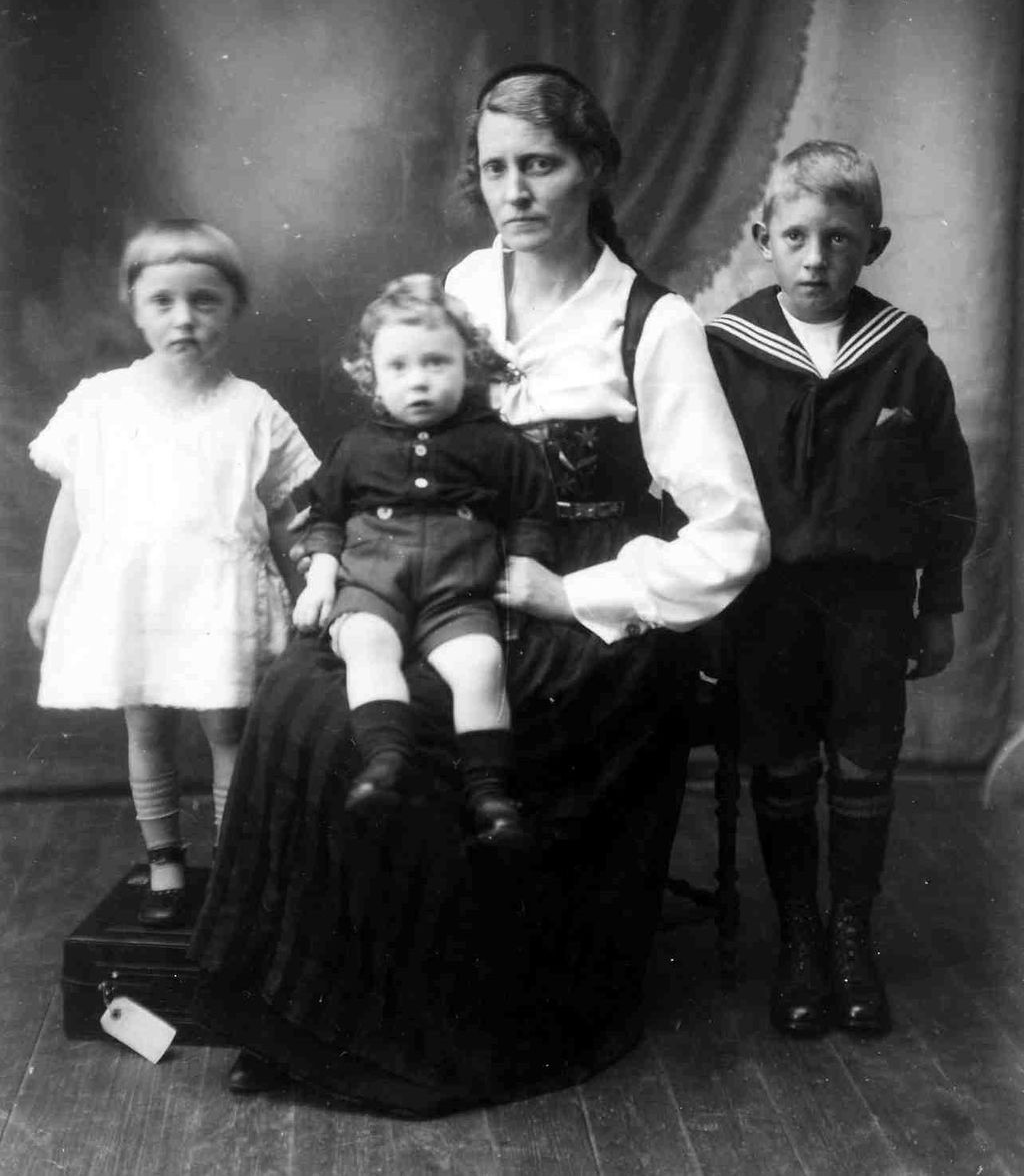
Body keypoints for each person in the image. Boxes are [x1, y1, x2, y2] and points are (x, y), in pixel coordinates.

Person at [191, 63, 768, 1114]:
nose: (515, 190)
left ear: (594, 169)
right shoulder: (464, 285)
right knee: (302, 698)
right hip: (443, 574)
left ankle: (419, 1034)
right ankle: (304, 1016)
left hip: (582, 608)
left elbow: (734, 532)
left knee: (419, 723)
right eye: (496, 168)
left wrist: (575, 592)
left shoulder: (653, 322)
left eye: (540, 164)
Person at [706, 141, 976, 1038]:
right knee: (782, 761)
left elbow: (947, 491)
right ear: (763, 239)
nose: (816, 258)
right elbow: (693, 488)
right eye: (795, 236)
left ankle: (851, 931)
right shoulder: (726, 351)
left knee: (864, 762)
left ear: (875, 244)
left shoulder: (904, 356)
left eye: (840, 239)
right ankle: (798, 935)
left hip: (871, 602)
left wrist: (938, 603)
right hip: (768, 603)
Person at [26, 220, 319, 927]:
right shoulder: (100, 402)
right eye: (163, 300)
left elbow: (290, 514)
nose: (184, 317)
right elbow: (72, 506)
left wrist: (312, 585)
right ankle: (164, 861)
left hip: (220, 602)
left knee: (229, 732)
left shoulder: (253, 409)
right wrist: (48, 593)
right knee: (147, 729)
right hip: (137, 600)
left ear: (234, 306)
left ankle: (233, 865)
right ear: (135, 306)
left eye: (204, 299)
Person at [292, 273, 555, 848]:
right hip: (371, 584)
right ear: (372, 377)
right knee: (366, 643)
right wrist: (320, 578)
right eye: (399, 367)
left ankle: (489, 792)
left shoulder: (498, 443)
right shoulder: (356, 448)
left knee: (481, 663)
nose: (418, 380)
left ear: (468, 363)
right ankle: (385, 761)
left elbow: (531, 513)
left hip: (458, 592)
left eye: (436, 362)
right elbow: (326, 517)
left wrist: (527, 563)